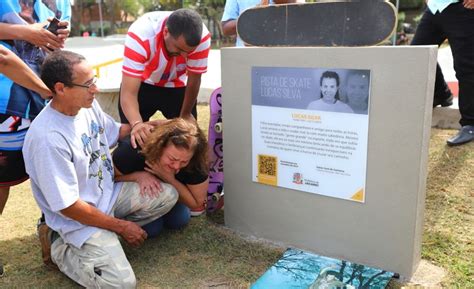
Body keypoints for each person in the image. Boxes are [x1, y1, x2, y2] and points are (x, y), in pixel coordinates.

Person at [23, 50, 178, 288]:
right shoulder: (47, 138)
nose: (95, 88)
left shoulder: (86, 106)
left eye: (94, 80)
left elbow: (114, 131)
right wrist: (122, 227)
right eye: (87, 84)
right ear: (61, 88)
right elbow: (69, 207)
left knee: (167, 196)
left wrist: (145, 127)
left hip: (108, 198)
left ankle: (105, 238)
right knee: (121, 284)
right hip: (76, 220)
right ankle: (59, 248)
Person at [0, 0, 70, 214]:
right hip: (7, 99)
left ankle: (51, 229)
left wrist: (58, 34)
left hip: (45, 98)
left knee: (53, 171)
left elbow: (59, 40)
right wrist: (25, 32)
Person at [120, 8, 211, 149]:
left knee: (188, 141)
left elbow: (194, 79)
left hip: (177, 86)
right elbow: (128, 93)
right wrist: (137, 124)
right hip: (142, 84)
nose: (185, 57)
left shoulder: (202, 38)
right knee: (131, 142)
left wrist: (185, 114)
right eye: (179, 49)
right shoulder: (141, 35)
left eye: (189, 52)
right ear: (165, 32)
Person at [0, 43, 52, 280]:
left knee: (52, 170)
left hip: (40, 104)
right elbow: (4, 57)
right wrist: (45, 90)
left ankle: (53, 234)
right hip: (10, 104)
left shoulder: (49, 5)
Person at [113, 118, 209, 230]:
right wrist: (138, 176)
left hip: (170, 195)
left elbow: (196, 203)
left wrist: (168, 177)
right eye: (172, 159)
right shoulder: (131, 149)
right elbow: (109, 179)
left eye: (184, 162)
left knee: (179, 219)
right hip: (137, 193)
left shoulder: (196, 161)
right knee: (153, 228)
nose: (177, 166)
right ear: (159, 146)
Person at [411, 0, 474, 146]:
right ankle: (442, 94)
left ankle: (470, 123)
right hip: (435, 7)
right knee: (417, 55)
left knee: (466, 66)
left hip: (462, 7)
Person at [221, 0, 302, 47]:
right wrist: (252, 18)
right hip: (247, 58)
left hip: (280, 55)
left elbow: (298, 18)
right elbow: (226, 28)